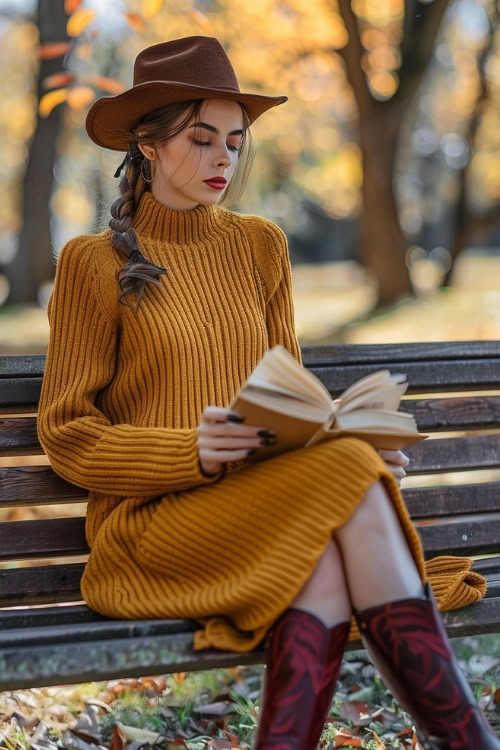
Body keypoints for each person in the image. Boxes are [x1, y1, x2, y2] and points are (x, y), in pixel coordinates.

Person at [36, 35, 499, 750]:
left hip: (260, 504)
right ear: (148, 145)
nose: (224, 158)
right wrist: (190, 450)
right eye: (201, 139)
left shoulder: (260, 247)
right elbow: (68, 433)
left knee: (325, 553)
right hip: (151, 527)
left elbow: (289, 400)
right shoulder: (92, 264)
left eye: (234, 140)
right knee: (345, 500)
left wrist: (348, 444)